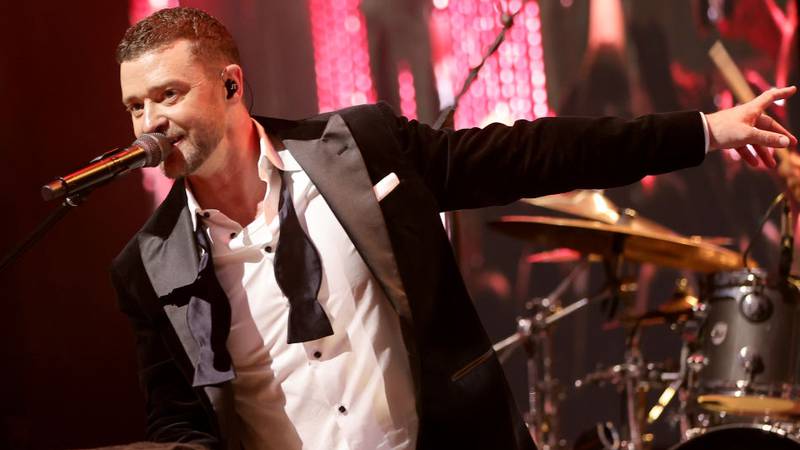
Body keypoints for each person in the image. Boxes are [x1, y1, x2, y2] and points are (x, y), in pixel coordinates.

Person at [110, 6, 797, 450]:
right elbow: (179, 423)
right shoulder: (150, 265)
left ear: (231, 85)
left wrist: (702, 130)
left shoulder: (361, 148)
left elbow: (530, 154)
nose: (150, 123)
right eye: (136, 105)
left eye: (168, 95)